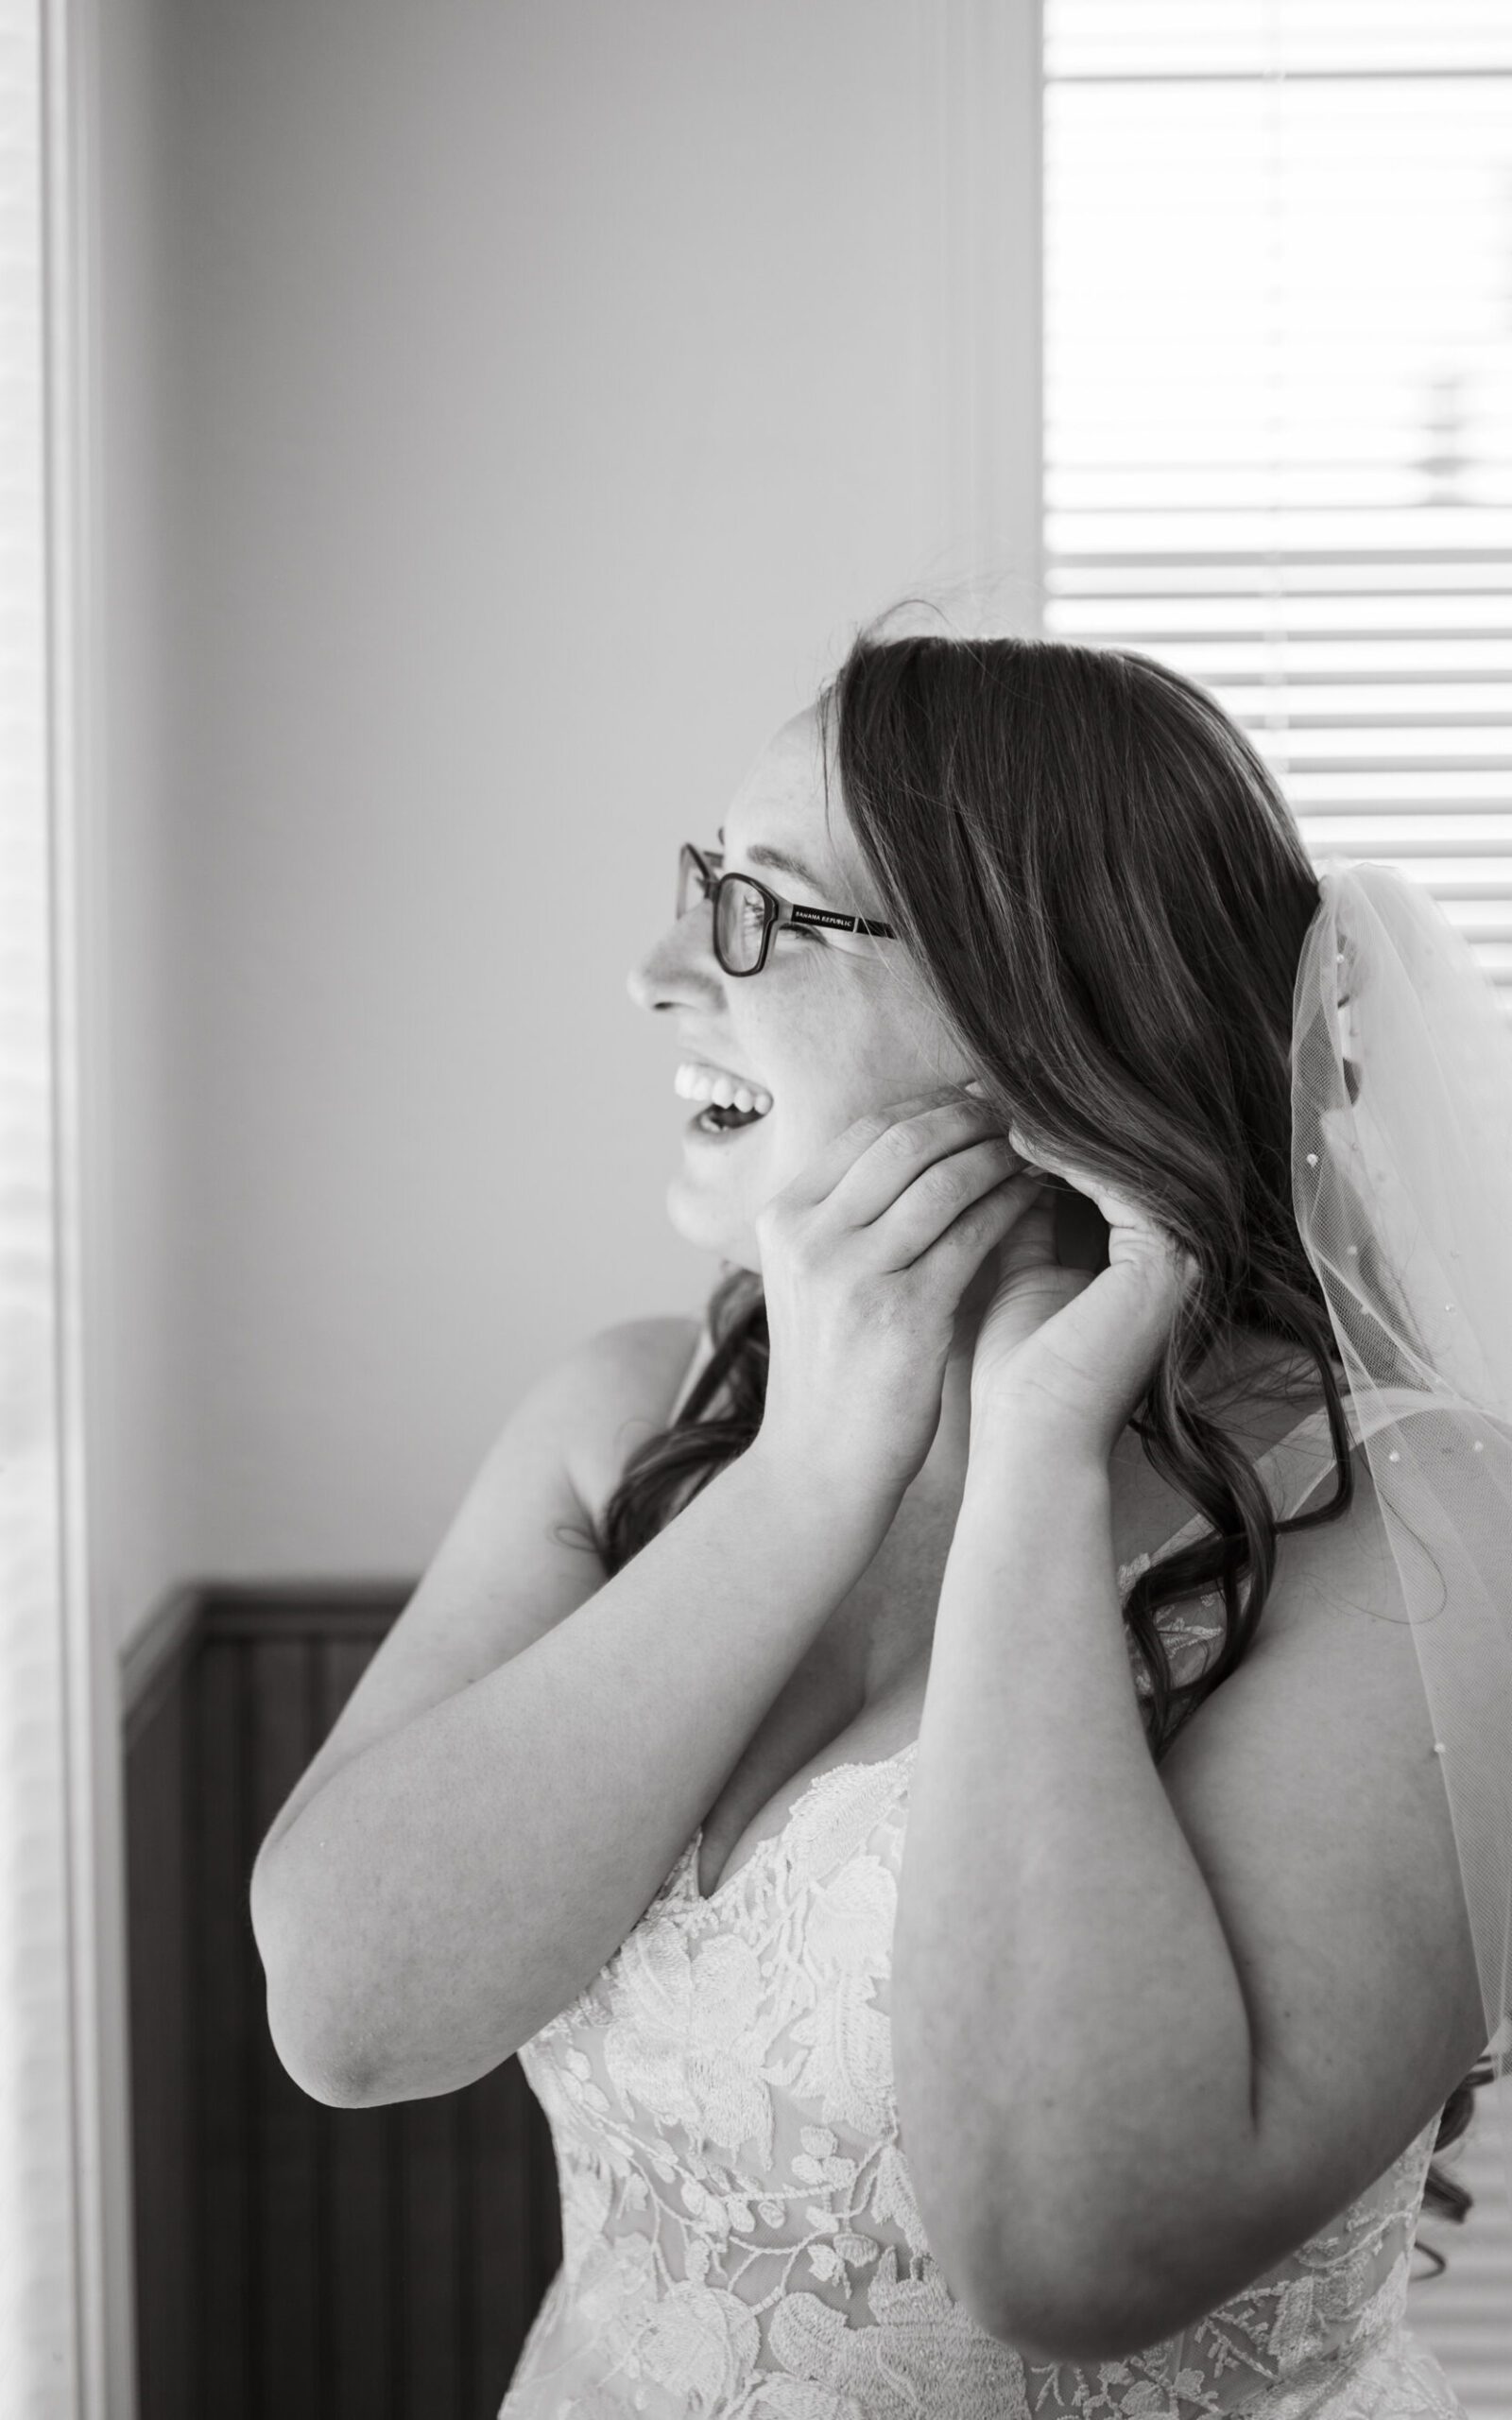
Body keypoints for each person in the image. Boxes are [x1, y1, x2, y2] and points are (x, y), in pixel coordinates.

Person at [253, 627, 1486, 2418]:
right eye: (702, 889)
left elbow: (1079, 2247)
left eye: (761, 914)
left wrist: (1041, 1444)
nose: (658, 973)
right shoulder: (622, 1422)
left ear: (1038, 1011)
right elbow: (350, 2019)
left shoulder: (1415, 1519)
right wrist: (816, 1466)